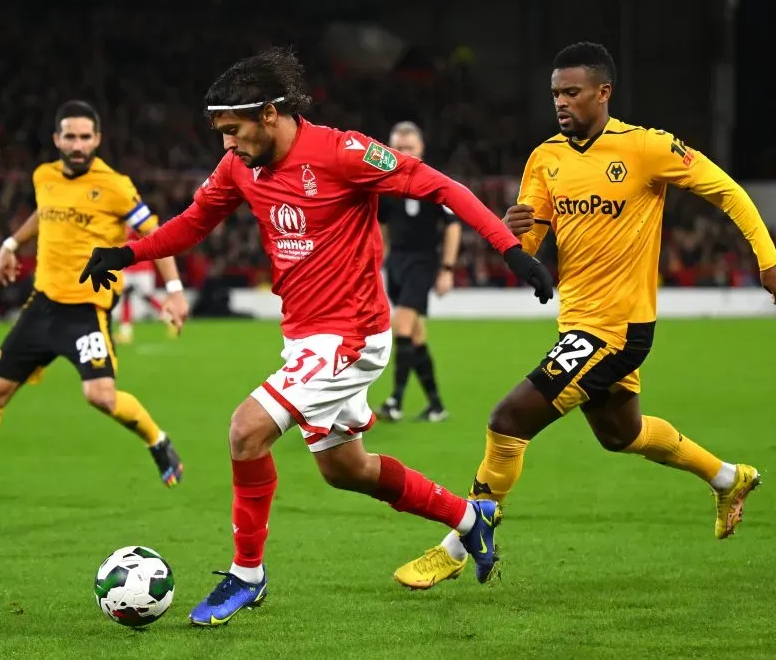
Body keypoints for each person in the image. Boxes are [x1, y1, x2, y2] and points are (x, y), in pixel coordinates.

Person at [79, 47, 555, 627]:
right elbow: (192, 223)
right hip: (305, 338)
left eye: (234, 131)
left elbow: (440, 187)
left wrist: (508, 250)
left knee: (245, 431)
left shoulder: (342, 152)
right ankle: (467, 519)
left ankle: (247, 576)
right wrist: (127, 253)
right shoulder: (240, 168)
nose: (226, 145)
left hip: (351, 336)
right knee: (346, 470)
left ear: (271, 113)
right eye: (221, 133)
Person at [393, 42, 776, 589]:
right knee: (621, 434)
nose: (561, 102)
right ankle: (728, 478)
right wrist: (517, 231)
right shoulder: (546, 158)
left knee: (507, 420)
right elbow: (529, 246)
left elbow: (727, 192)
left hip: (617, 328)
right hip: (578, 322)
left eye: (572, 92)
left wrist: (768, 259)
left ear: (603, 92)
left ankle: (459, 542)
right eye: (556, 92)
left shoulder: (647, 148)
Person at [0, 101, 190, 504]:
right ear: (57, 139)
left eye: (85, 137)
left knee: (101, 396)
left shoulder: (115, 185)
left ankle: (157, 439)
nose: (77, 144)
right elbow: (45, 213)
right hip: (41, 307)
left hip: (85, 311)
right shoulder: (44, 176)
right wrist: (10, 244)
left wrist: (176, 290)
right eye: (70, 136)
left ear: (97, 139)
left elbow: (157, 235)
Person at [374, 121, 461, 423]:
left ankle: (395, 401)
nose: (404, 153)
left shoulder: (434, 183)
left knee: (402, 328)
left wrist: (447, 269)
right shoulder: (384, 186)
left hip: (422, 263)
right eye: (399, 147)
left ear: (421, 149)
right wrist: (378, 261)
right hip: (396, 263)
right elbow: (382, 226)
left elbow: (453, 226)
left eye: (409, 147)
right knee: (416, 336)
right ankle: (436, 405)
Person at [114, 232, 180, 345]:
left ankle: (171, 320)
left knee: (147, 297)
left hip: (142, 267)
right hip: (128, 267)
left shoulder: (137, 222)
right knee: (126, 296)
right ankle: (125, 333)